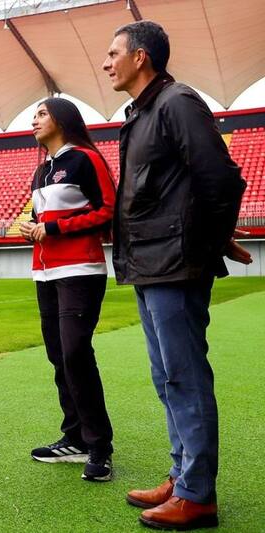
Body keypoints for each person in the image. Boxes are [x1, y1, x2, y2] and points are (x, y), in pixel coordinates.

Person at [102, 21, 250, 529]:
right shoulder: (143, 112)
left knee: (184, 376)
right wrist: (215, 236)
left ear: (141, 57)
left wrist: (209, 241)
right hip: (150, 263)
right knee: (166, 378)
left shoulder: (177, 102)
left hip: (174, 263)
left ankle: (197, 493)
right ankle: (181, 472)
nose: (107, 63)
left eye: (114, 53)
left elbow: (221, 178)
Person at [19, 98, 117, 482]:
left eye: (42, 114)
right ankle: (74, 437)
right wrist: (32, 227)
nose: (35, 120)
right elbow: (41, 218)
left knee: (76, 353)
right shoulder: (41, 169)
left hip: (80, 270)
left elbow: (108, 210)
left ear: (62, 119)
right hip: (44, 274)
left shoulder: (85, 158)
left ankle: (100, 447)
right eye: (34, 115)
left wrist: (57, 229)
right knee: (59, 355)